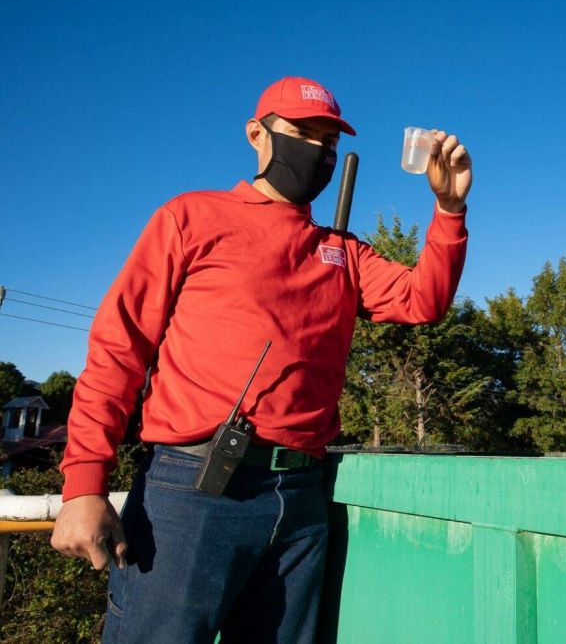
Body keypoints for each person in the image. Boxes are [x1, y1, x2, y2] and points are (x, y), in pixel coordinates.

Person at [50, 76, 472, 642]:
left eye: (329, 142)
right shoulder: (190, 218)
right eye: (303, 133)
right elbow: (118, 350)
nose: (318, 152)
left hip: (302, 501)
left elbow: (424, 300)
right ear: (257, 134)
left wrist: (449, 207)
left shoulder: (345, 253)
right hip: (191, 491)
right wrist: (83, 487)